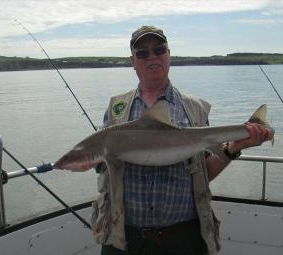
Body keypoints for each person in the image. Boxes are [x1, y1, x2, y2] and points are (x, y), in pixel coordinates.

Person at [91, 25, 273, 255]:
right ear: (133, 61)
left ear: (169, 55)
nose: (152, 57)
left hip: (184, 239)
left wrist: (234, 148)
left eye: (158, 50)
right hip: (124, 238)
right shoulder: (115, 109)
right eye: (142, 53)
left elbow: (204, 172)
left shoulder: (195, 109)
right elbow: (101, 165)